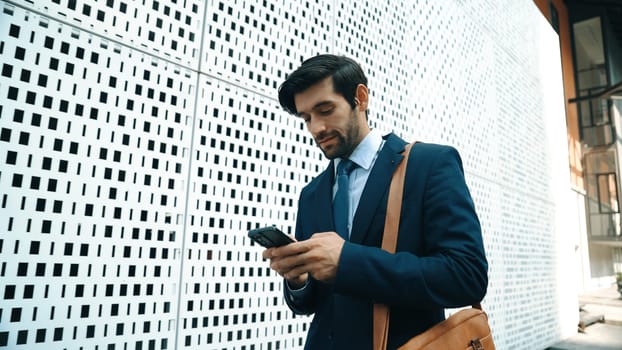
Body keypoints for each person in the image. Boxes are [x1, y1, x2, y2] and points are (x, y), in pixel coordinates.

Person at [263, 54, 488, 349]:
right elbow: (311, 304)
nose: (316, 128)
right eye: (306, 118)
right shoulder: (311, 194)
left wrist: (347, 261)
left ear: (360, 97)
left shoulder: (429, 164)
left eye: (325, 110)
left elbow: (466, 275)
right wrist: (298, 279)